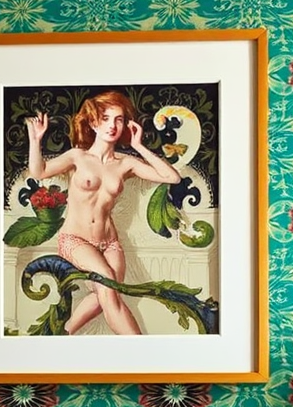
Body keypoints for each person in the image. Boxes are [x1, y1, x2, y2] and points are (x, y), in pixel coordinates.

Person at [24, 90, 181, 336]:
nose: (112, 126)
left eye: (118, 119)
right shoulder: (78, 156)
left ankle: (60, 335)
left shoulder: (125, 163)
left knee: (105, 293)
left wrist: (138, 146)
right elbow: (39, 172)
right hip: (75, 240)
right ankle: (144, 352)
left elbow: (172, 177)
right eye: (106, 119)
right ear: (94, 123)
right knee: (107, 282)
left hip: (109, 242)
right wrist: (36, 140)